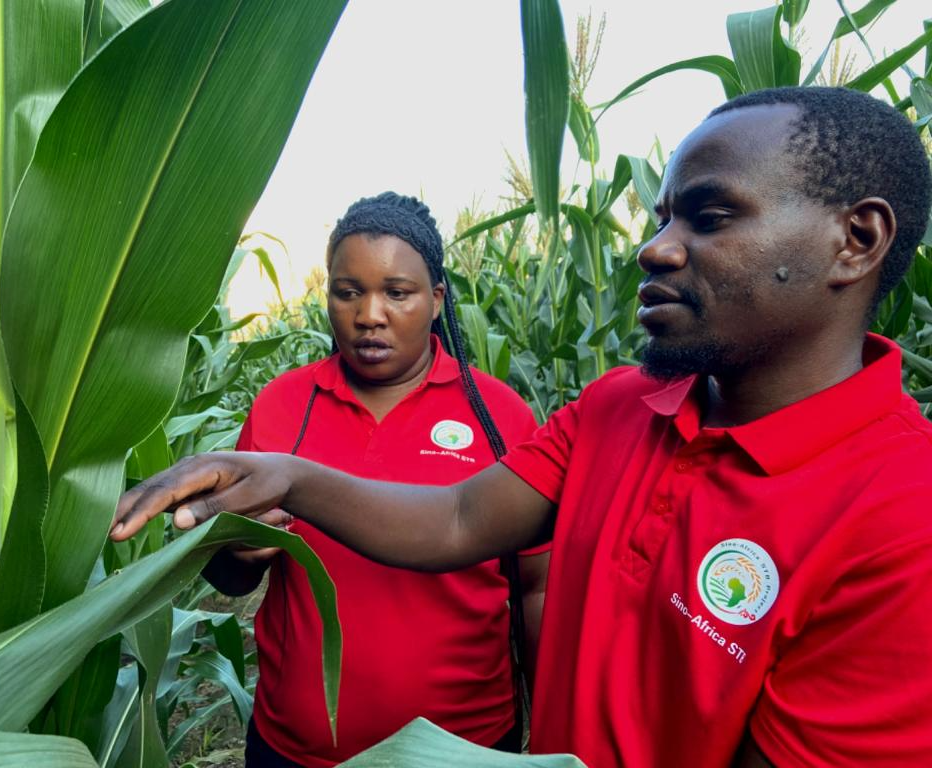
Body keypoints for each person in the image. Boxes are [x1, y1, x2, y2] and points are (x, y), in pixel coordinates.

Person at [113, 87, 932, 767]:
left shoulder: (903, 521)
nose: (654, 249)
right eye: (660, 218)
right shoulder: (617, 408)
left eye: (709, 218)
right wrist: (285, 476)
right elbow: (460, 518)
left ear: (854, 241)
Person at [193, 192, 548, 767]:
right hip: (297, 750)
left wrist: (550, 728)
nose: (369, 315)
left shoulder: (499, 416)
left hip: (462, 752)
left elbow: (536, 585)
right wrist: (238, 552)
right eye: (348, 291)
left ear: (435, 301)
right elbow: (230, 577)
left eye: (397, 293)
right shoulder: (285, 406)